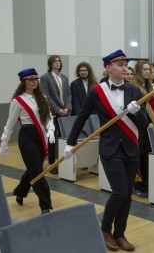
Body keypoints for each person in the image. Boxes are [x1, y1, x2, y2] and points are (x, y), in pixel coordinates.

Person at [63, 50, 149, 251]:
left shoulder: (135, 91)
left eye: (126, 64)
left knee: (127, 194)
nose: (125, 67)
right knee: (119, 192)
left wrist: (137, 112)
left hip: (131, 148)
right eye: (120, 64)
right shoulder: (96, 91)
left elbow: (144, 124)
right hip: (110, 149)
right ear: (108, 68)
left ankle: (120, 234)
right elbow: (82, 117)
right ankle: (104, 230)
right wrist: (70, 143)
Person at [0, 68, 54, 214]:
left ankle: (19, 191)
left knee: (33, 168)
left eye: (36, 79)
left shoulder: (41, 96)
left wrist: (51, 129)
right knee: (37, 171)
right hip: (27, 136)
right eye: (30, 79)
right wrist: (4, 142)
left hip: (41, 135)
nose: (34, 81)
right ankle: (45, 206)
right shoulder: (18, 101)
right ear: (24, 82)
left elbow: (48, 117)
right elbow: (10, 123)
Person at [40, 55, 71, 174]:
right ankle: (52, 163)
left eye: (59, 61)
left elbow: (69, 94)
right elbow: (46, 96)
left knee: (63, 138)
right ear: (50, 64)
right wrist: (57, 109)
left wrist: (67, 108)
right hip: (53, 112)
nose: (57, 63)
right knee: (52, 138)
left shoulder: (64, 77)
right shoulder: (45, 78)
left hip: (65, 112)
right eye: (55, 61)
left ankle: (64, 161)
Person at [132, 60, 153, 198]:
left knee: (147, 156)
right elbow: (136, 110)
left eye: (149, 69)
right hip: (139, 127)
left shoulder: (149, 87)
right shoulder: (134, 88)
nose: (147, 72)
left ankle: (146, 183)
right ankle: (137, 185)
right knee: (138, 157)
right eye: (145, 69)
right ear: (139, 70)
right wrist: (146, 122)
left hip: (149, 126)